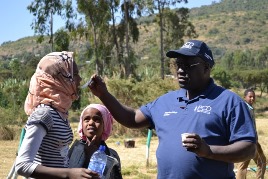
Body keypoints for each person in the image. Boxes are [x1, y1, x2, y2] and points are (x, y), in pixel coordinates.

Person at [88, 40, 257, 179]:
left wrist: (209, 151)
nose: (181, 70)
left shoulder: (228, 101)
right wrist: (104, 94)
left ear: (206, 67)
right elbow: (132, 118)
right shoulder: (165, 101)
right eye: (179, 64)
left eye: (189, 64)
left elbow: (249, 148)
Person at [15, 51, 101, 179]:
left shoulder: (60, 113)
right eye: (75, 74)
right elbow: (22, 165)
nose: (80, 79)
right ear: (61, 79)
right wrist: (69, 174)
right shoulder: (44, 114)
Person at [68, 104, 122, 179]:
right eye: (86, 119)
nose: (90, 123)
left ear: (105, 125)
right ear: (81, 124)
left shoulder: (112, 155)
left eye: (97, 119)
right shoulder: (74, 150)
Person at [236, 89, 266, 179]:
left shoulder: (249, 108)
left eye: (253, 96)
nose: (252, 98)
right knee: (243, 165)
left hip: (253, 141)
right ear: (245, 97)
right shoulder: (245, 108)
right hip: (248, 141)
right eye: (250, 96)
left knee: (262, 161)